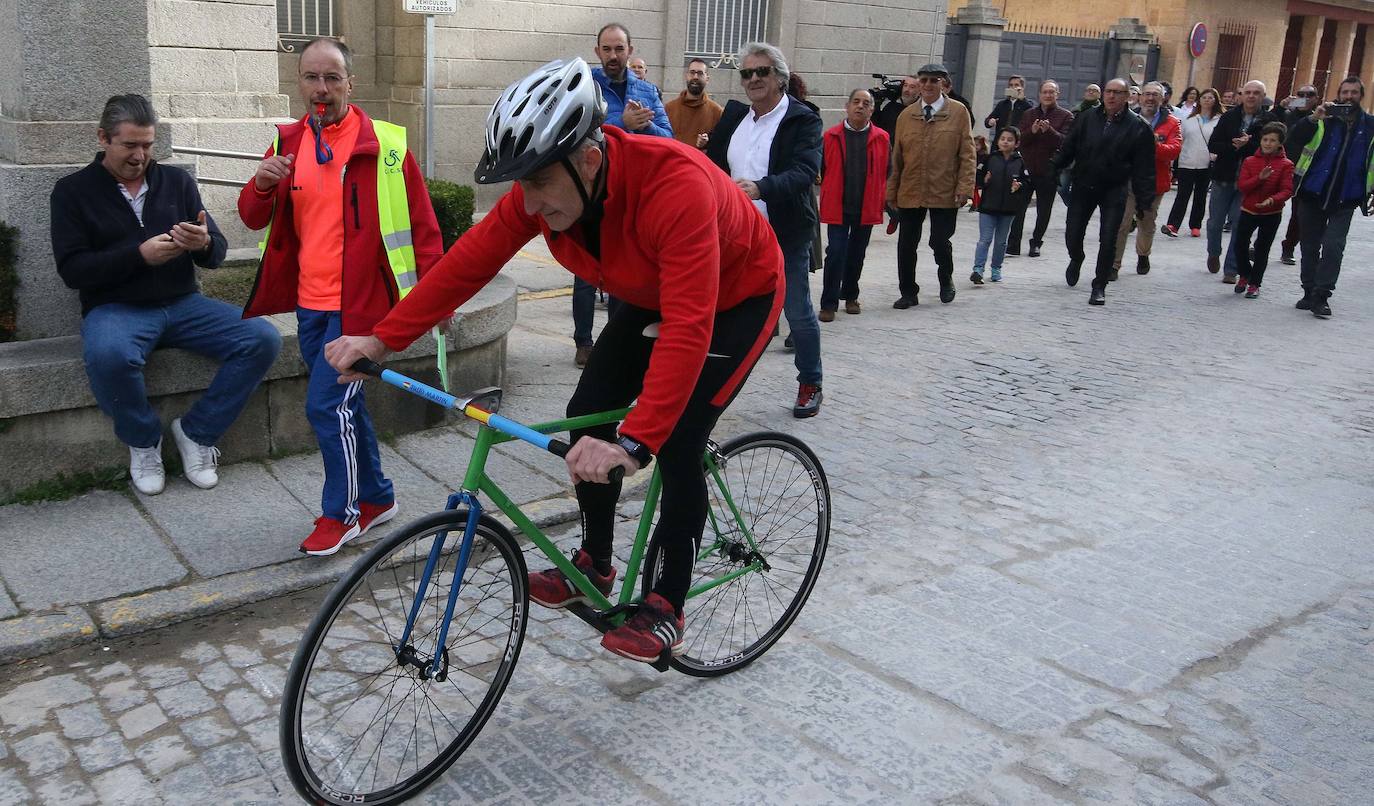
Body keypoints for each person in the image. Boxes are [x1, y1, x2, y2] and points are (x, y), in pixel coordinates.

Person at [323, 57, 784, 664]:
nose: (529, 204)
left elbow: (691, 323)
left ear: (589, 159)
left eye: (539, 184)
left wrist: (636, 441)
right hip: (652, 293)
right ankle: (593, 558)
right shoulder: (546, 191)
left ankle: (668, 603)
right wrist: (381, 340)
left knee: (676, 439)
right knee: (585, 410)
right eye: (522, 187)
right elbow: (467, 264)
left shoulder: (675, 185)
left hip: (737, 298)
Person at [237, 38, 443, 556]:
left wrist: (437, 301)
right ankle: (376, 497)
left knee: (326, 407)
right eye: (311, 78)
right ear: (300, 83)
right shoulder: (287, 144)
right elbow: (251, 217)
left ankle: (343, 513)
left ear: (351, 82)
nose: (321, 89)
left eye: (332, 78)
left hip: (362, 312)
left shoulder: (386, 146)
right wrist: (261, 185)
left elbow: (423, 230)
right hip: (311, 306)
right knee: (347, 407)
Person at [51, 94, 280, 496]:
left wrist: (203, 243)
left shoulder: (176, 181)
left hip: (183, 304)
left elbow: (218, 252)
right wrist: (138, 256)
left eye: (147, 145)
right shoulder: (73, 192)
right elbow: (73, 270)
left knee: (262, 338)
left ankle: (198, 433)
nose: (140, 156)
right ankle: (143, 441)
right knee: (110, 356)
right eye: (129, 145)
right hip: (116, 308)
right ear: (103, 138)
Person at [706, 42, 824, 417]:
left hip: (784, 232)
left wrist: (761, 187)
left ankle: (810, 381)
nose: (753, 79)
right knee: (718, 308)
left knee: (798, 311)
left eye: (762, 72)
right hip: (735, 234)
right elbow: (711, 164)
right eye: (746, 73)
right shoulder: (735, 116)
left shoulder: (802, 119)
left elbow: (805, 172)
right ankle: (709, 385)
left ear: (780, 77)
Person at [570, 23, 675, 368]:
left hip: (635, 197)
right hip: (594, 196)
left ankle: (616, 340)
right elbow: (580, 135)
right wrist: (624, 123)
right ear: (597, 51)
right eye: (607, 49)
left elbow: (669, 140)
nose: (613, 56)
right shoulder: (585, 88)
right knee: (587, 273)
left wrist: (645, 126)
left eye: (620, 49)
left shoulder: (647, 91)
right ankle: (583, 341)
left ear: (630, 50)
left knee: (625, 276)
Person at [1050, 78, 1155, 306]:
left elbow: (1144, 168)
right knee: (1073, 232)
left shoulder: (1138, 126)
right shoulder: (1087, 118)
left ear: (1127, 96)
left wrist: (1144, 202)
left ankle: (1099, 285)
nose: (1111, 96)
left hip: (1114, 188)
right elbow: (1069, 147)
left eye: (1118, 93)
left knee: (1109, 239)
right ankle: (1076, 258)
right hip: (1084, 183)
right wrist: (1054, 167)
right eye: (1108, 91)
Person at [887, 62, 976, 308]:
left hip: (944, 189)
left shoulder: (958, 112)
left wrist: (964, 188)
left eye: (933, 81)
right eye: (923, 80)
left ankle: (946, 279)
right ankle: (908, 291)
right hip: (911, 189)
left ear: (943, 84)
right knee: (906, 244)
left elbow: (967, 154)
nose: (927, 85)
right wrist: (891, 191)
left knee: (939, 241)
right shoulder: (906, 116)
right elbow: (897, 158)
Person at [1286, 77, 1374, 318]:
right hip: (1313, 190)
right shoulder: (1324, 119)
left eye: (1354, 92)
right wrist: (1314, 116)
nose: (1348, 97)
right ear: (1338, 93)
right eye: (1345, 92)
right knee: (1309, 245)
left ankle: (1322, 294)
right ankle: (1308, 290)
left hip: (1346, 196)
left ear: (1361, 95)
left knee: (1334, 246)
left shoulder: (1370, 125)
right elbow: (1294, 138)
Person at [817, 89, 889, 319]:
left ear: (872, 110)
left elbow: (887, 170)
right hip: (839, 205)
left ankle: (850, 295)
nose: (860, 106)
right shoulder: (830, 136)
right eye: (856, 102)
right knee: (836, 252)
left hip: (865, 206)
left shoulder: (882, 137)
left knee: (857, 254)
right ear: (846, 106)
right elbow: (823, 168)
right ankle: (828, 303)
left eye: (865, 103)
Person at [1207, 80, 1281, 281]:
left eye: (1256, 93)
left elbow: (1272, 149)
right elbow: (1213, 145)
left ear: (1262, 96)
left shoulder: (1269, 121)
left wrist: (1248, 146)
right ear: (1241, 95)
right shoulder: (1229, 117)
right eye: (1247, 92)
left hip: (1250, 183)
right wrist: (1233, 146)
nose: (1251, 96)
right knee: (1215, 223)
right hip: (1224, 178)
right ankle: (1213, 252)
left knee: (1239, 227)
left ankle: (1231, 269)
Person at [1111, 82, 1181, 277]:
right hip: (1127, 180)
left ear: (1163, 98)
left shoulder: (1172, 122)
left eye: (1155, 95)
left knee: (1147, 222)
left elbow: (1174, 150)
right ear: (1140, 97)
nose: (1150, 98)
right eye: (1147, 94)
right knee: (1122, 223)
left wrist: (1152, 146)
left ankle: (1143, 254)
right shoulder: (1127, 118)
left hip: (1153, 181)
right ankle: (1114, 265)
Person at [1010, 79, 1073, 257]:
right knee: (1018, 208)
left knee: (1044, 210)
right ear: (1039, 94)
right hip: (1027, 168)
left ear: (1057, 95)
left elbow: (1065, 142)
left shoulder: (1065, 115)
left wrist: (1049, 131)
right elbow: (1020, 139)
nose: (1048, 95)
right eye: (1045, 92)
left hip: (1049, 170)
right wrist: (1033, 131)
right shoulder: (1029, 114)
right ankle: (1013, 243)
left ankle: (1036, 242)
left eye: (1051, 92)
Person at [1231, 121, 1294, 298]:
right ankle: (1244, 274)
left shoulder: (1286, 164)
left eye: (1273, 140)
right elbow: (1243, 186)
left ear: (1280, 143)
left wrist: (1272, 200)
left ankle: (1254, 283)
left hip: (1271, 213)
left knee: (1262, 250)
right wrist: (1259, 178)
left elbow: (1287, 190)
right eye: (1265, 139)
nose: (1268, 143)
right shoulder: (1250, 161)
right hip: (1248, 210)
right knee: (1239, 245)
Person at [970, 126, 1029, 284]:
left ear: (1016, 144)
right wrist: (985, 180)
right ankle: (978, 269)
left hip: (1008, 209)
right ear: (998, 141)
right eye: (1003, 139)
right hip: (988, 207)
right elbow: (978, 177)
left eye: (1010, 140)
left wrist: (1019, 186)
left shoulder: (1020, 161)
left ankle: (996, 267)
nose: (1005, 142)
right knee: (985, 239)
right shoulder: (991, 158)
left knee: (1001, 241)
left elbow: (1026, 182)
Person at [1164, 87, 1221, 237]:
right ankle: (1173, 224)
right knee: (1183, 194)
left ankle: (1195, 225)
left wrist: (1216, 154)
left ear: (1215, 101)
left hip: (1206, 163)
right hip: (1187, 161)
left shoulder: (1219, 121)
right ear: (1199, 101)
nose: (1207, 100)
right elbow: (1180, 140)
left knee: (1200, 195)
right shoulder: (1188, 120)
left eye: (1210, 98)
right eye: (1204, 97)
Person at [1278, 85, 1320, 264]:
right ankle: (1258, 245)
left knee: (1299, 214)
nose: (1304, 97)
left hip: (1304, 172)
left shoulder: (1321, 120)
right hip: (1281, 168)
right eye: (1300, 95)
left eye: (1309, 95)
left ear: (1316, 99)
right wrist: (1281, 107)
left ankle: (1288, 248)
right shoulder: (1287, 114)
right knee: (1270, 207)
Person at [664, 58, 723, 150]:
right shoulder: (669, 108)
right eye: (692, 72)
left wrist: (706, 143)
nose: (695, 77)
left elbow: (720, 146)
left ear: (707, 79)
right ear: (686, 76)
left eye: (700, 73)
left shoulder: (717, 112)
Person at [873, 76, 919, 140]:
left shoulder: (920, 110)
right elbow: (876, 126)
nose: (907, 90)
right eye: (905, 86)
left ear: (919, 91)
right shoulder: (891, 107)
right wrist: (876, 105)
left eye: (912, 87)